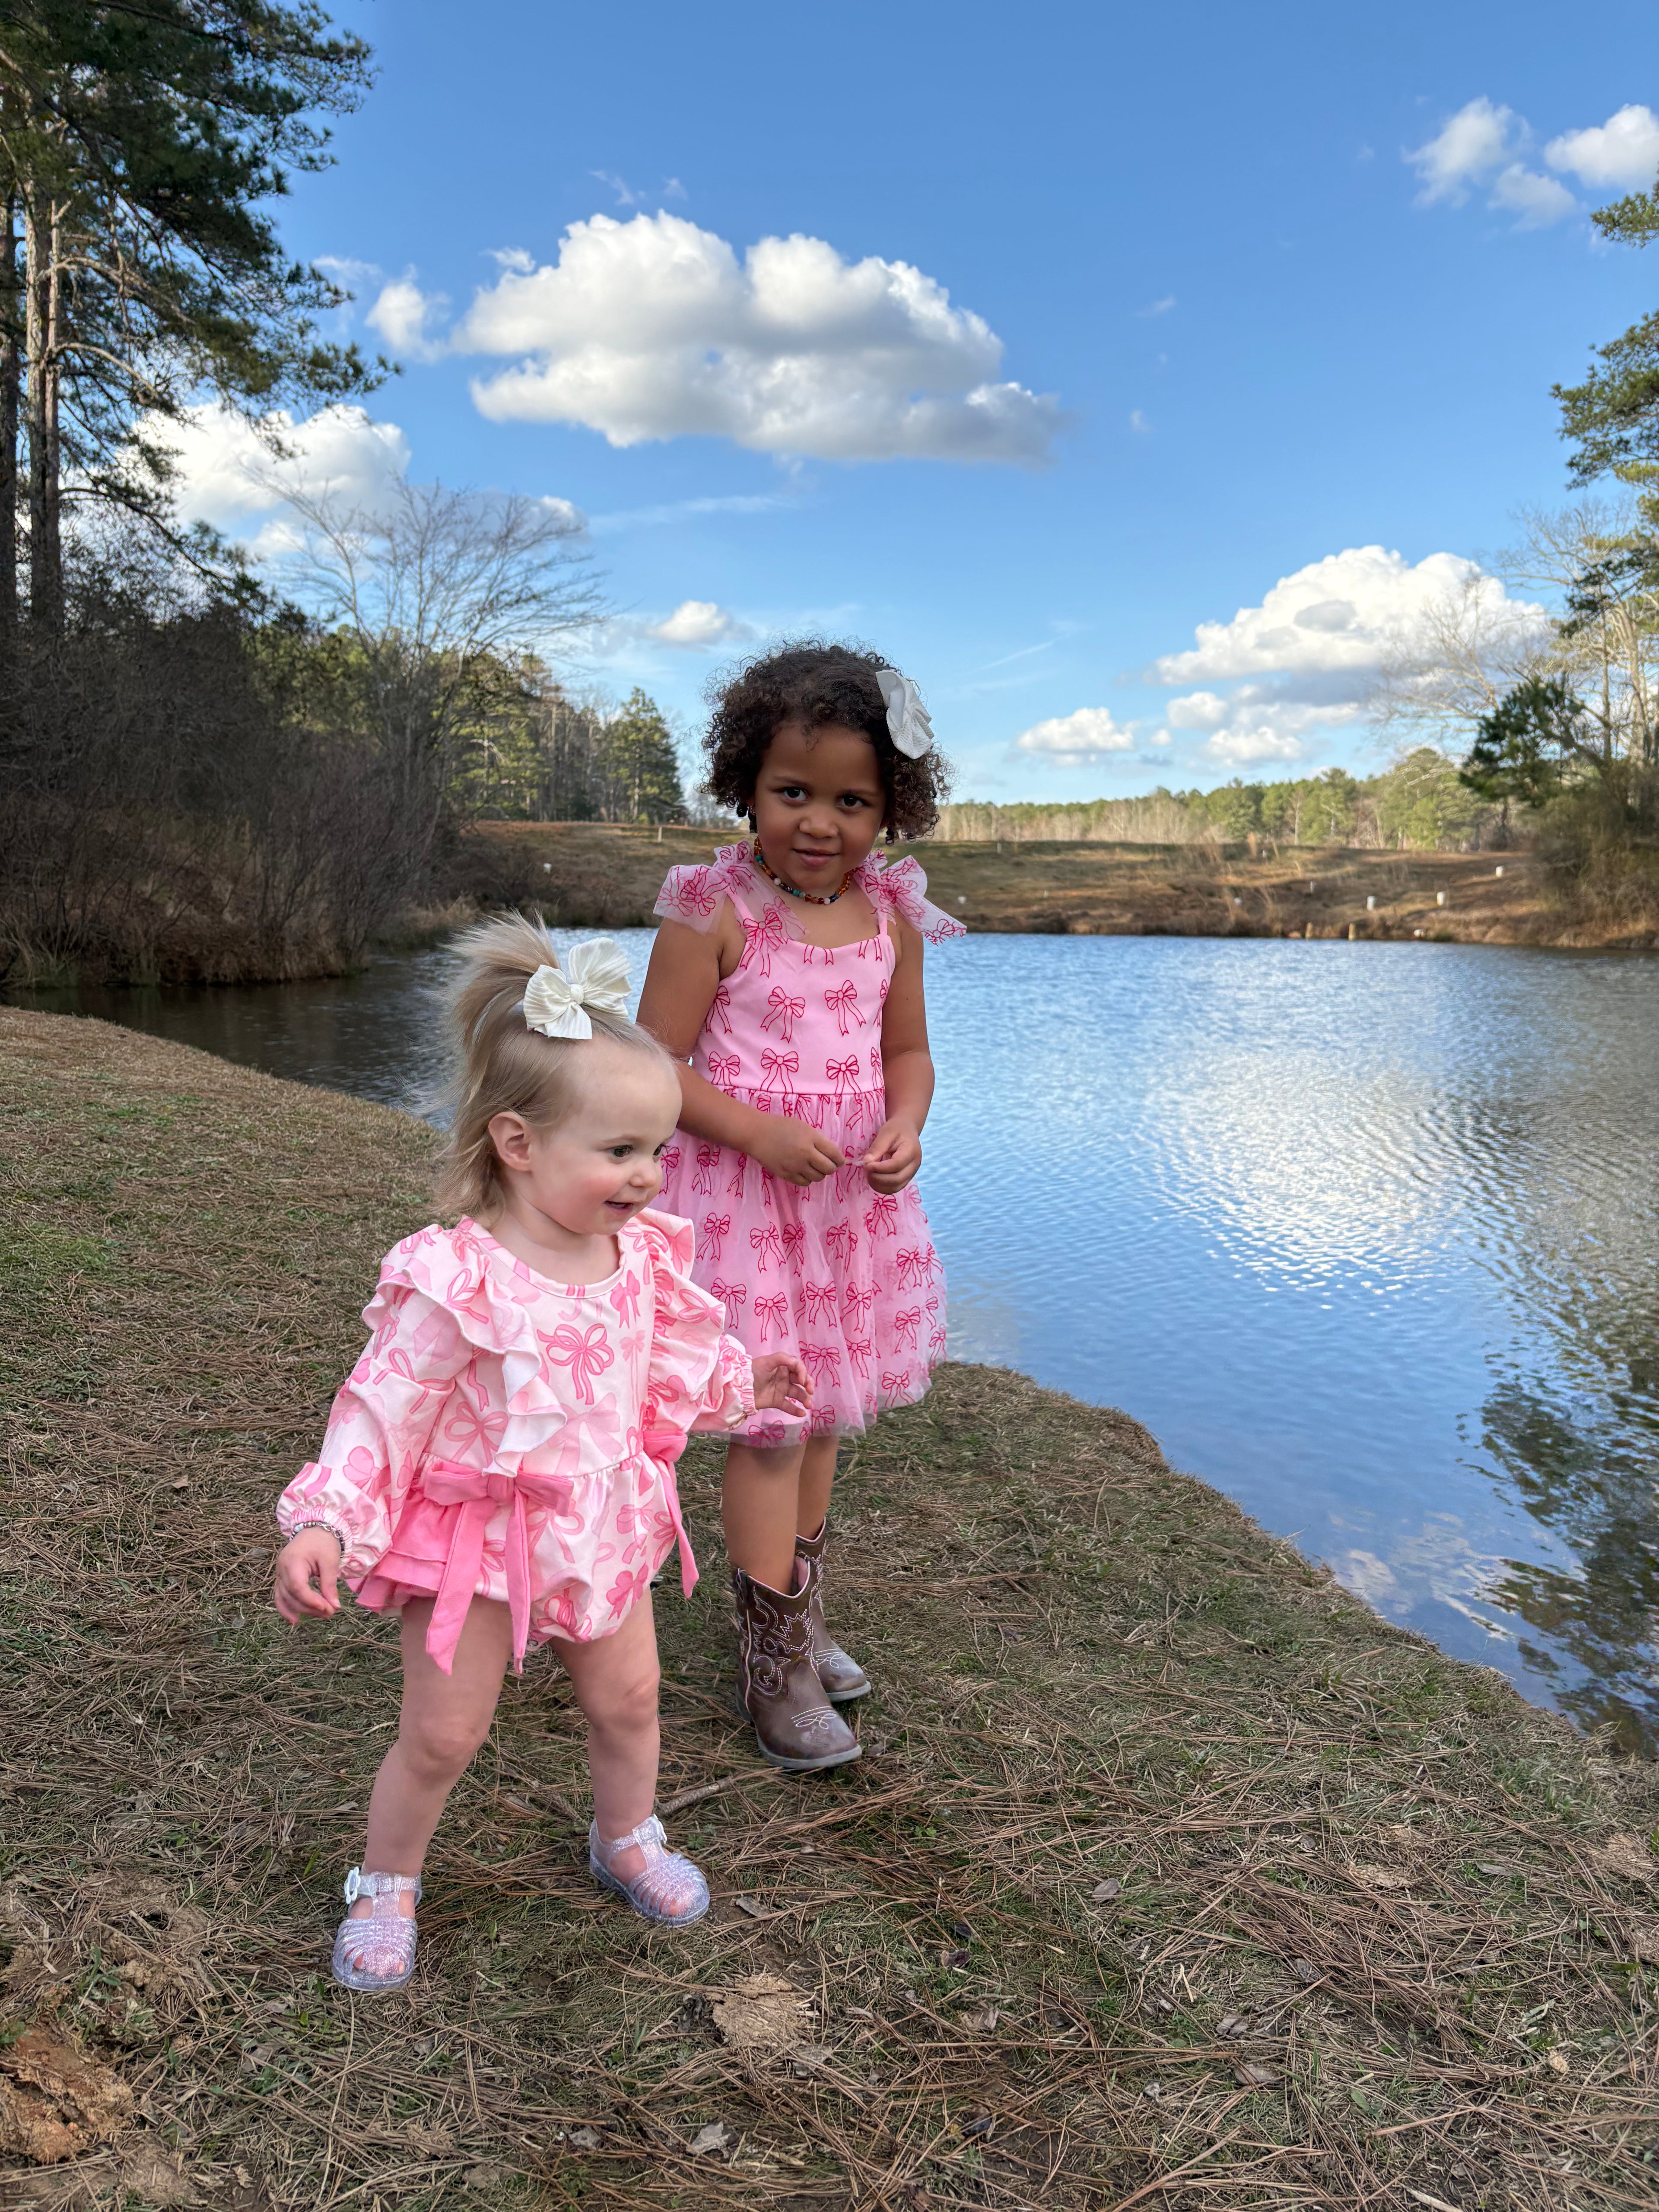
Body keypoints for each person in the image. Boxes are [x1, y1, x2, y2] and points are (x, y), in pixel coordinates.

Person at [270, 920, 811, 1993]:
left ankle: (626, 1836)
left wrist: (737, 1386)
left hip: (606, 1525)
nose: (649, 1176)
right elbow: (386, 1406)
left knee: (632, 1699)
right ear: (517, 1144)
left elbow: (657, 1375)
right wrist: (329, 1518)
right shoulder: (457, 1276)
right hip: (475, 1545)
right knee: (443, 1732)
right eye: (619, 1152)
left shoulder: (640, 1260)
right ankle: (385, 1882)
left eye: (658, 1149)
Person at [637, 642, 964, 1773]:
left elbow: (908, 1049)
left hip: (845, 1218)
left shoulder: (889, 915)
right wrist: (754, 1132)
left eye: (851, 800)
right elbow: (652, 1067)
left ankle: (802, 1613)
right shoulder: (713, 907)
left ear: (892, 807)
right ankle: (768, 1658)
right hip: (743, 1208)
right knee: (771, 1423)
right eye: (793, 792)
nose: (819, 823)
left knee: (823, 1415)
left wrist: (906, 1124)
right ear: (745, 782)